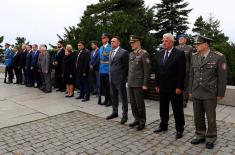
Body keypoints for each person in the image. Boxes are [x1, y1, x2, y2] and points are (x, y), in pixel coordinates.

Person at [189, 35, 227, 149]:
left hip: (210, 92)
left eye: (198, 44)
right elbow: (191, 74)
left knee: (210, 116)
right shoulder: (194, 56)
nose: (196, 46)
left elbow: (222, 76)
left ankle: (211, 136)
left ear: (205, 44)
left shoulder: (218, 57)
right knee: (198, 116)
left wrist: (221, 93)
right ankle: (200, 134)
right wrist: (190, 90)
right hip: (196, 91)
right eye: (195, 44)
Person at [154, 33, 186, 139]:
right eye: (163, 41)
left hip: (174, 87)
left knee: (177, 109)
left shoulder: (179, 54)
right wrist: (157, 84)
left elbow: (182, 72)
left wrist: (179, 87)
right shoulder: (159, 53)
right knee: (163, 108)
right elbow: (157, 70)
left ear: (172, 42)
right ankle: (163, 125)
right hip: (162, 86)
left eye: (166, 41)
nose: (164, 42)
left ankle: (179, 129)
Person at [128, 35, 150, 130]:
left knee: (139, 104)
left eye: (133, 42)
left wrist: (145, 84)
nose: (132, 44)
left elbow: (147, 70)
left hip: (139, 83)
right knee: (133, 103)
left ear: (138, 42)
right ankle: (136, 119)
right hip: (131, 82)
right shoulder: (131, 54)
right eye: (131, 43)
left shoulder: (144, 54)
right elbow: (130, 69)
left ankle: (142, 121)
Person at [106, 36, 129, 124]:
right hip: (111, 79)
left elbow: (126, 67)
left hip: (120, 80)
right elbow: (111, 65)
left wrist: (125, 79)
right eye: (111, 41)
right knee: (113, 97)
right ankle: (114, 112)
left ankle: (124, 115)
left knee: (123, 98)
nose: (112, 43)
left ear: (118, 43)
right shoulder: (111, 51)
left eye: (114, 41)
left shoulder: (124, 52)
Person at [176, 34, 194, 107]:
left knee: (185, 86)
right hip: (177, 70)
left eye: (182, 38)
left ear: (185, 40)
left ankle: (184, 101)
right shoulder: (176, 48)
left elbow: (191, 61)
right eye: (179, 39)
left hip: (186, 70)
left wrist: (190, 70)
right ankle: (178, 99)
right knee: (178, 85)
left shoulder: (189, 48)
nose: (180, 40)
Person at [97, 33, 112, 106]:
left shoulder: (110, 47)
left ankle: (110, 100)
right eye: (102, 38)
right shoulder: (100, 47)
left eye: (104, 38)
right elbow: (99, 58)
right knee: (103, 86)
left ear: (108, 39)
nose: (103, 39)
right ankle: (106, 99)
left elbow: (110, 58)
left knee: (108, 86)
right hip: (101, 69)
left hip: (107, 69)